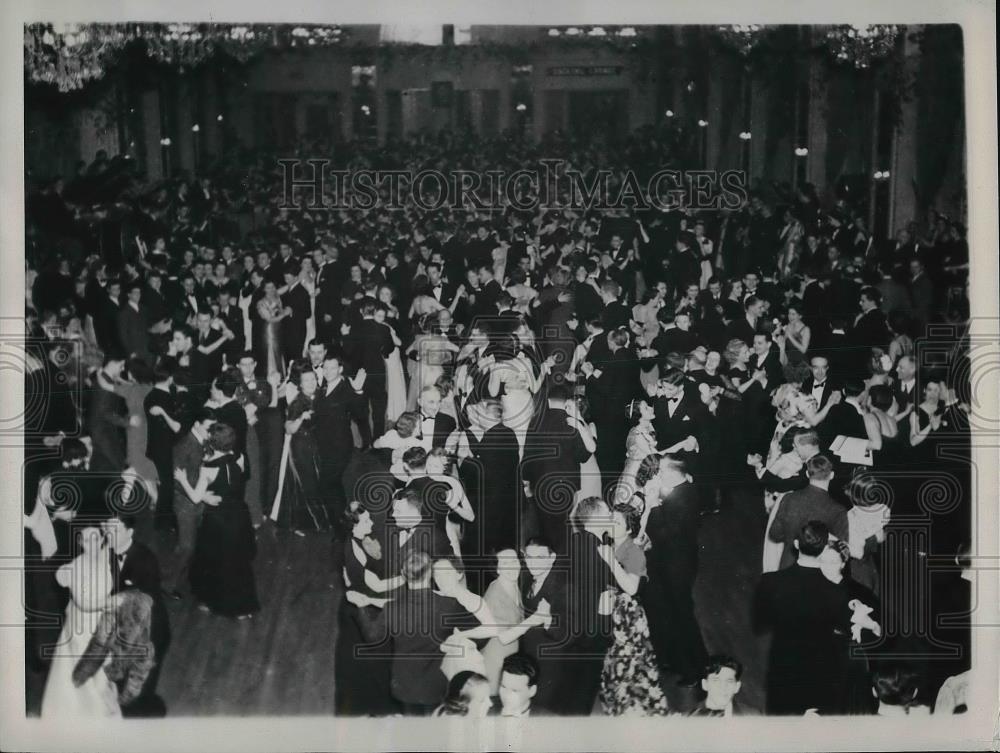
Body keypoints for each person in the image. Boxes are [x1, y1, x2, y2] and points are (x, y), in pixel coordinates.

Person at [754, 521, 853, 715]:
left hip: (783, 667)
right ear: (825, 548)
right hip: (820, 672)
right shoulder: (837, 592)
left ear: (797, 545)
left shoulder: (770, 582)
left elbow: (760, 625)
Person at [175, 422, 259, 619]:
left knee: (215, 562)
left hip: (218, 518)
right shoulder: (239, 458)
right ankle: (243, 608)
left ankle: (215, 602)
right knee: (238, 562)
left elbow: (196, 497)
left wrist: (183, 479)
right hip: (239, 515)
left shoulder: (208, 468)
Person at [640, 455, 708, 687]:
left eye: (660, 470)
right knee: (673, 611)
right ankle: (678, 661)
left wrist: (655, 506)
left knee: (682, 615)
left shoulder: (681, 498)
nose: (657, 473)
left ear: (671, 472)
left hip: (676, 564)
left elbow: (664, 534)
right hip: (676, 560)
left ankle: (696, 668)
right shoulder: (685, 489)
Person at [597, 503, 669, 716]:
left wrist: (610, 561)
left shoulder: (634, 552)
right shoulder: (611, 544)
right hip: (614, 612)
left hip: (628, 619)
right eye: (610, 518)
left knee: (630, 668)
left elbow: (630, 587)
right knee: (615, 666)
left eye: (616, 521)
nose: (610, 523)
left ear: (629, 529)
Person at [41, 526, 121, 718]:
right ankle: (94, 711)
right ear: (80, 544)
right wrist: (112, 602)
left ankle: (104, 701)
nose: (91, 545)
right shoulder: (75, 567)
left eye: (95, 540)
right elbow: (84, 603)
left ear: (102, 541)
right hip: (83, 627)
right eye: (86, 541)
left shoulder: (104, 559)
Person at [335, 501, 404, 716]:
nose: (371, 522)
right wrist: (407, 577)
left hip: (357, 603)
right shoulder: (354, 553)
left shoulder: (354, 541)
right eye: (366, 520)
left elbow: (348, 579)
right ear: (354, 525)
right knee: (378, 660)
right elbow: (377, 586)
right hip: (365, 611)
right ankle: (381, 708)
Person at [162, 408, 213, 601]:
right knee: (187, 546)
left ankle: (181, 575)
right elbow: (175, 480)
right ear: (196, 425)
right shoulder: (185, 445)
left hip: (195, 499)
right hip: (185, 502)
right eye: (208, 428)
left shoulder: (200, 441)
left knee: (191, 543)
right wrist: (199, 496)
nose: (210, 433)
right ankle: (167, 584)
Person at [767, 454, 848, 572]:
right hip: (819, 571)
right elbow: (841, 549)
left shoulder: (789, 498)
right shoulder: (838, 510)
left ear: (806, 474)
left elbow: (775, 534)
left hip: (787, 565)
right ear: (832, 475)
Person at [272, 368, 329, 534]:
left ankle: (300, 522)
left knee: (305, 484)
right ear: (301, 384)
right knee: (307, 484)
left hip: (315, 445)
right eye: (306, 380)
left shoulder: (320, 396)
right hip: (301, 447)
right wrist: (300, 418)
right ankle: (320, 524)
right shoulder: (298, 402)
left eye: (313, 379)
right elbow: (288, 429)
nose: (310, 383)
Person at [480, 549, 525, 696]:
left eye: (514, 561)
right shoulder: (495, 593)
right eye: (505, 563)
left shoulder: (513, 584)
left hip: (511, 651)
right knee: (495, 699)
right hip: (497, 655)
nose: (511, 566)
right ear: (498, 569)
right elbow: (503, 636)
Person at [688, 656, 758, 717]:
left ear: (737, 687)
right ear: (705, 684)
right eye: (716, 680)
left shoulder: (753, 716)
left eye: (729, 681)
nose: (723, 687)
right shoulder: (686, 719)